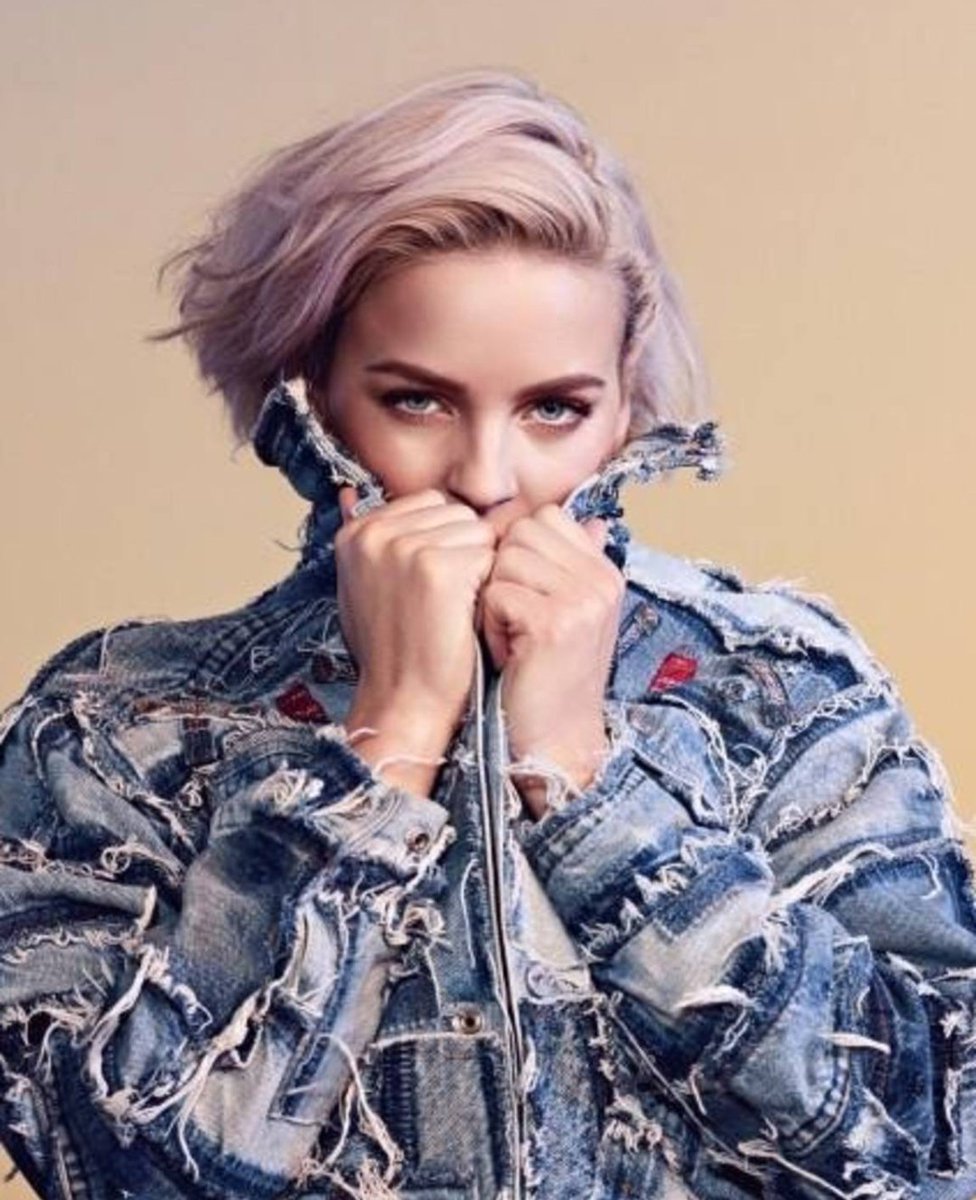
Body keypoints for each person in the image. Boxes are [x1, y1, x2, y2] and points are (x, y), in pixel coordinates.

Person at [1, 67, 974, 1200]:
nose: (485, 478)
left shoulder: (774, 689)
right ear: (307, 391)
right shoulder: (118, 728)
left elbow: (939, 1136)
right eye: (417, 400)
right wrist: (390, 740)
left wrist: (588, 786)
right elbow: (122, 1172)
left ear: (623, 409)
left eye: (554, 409)